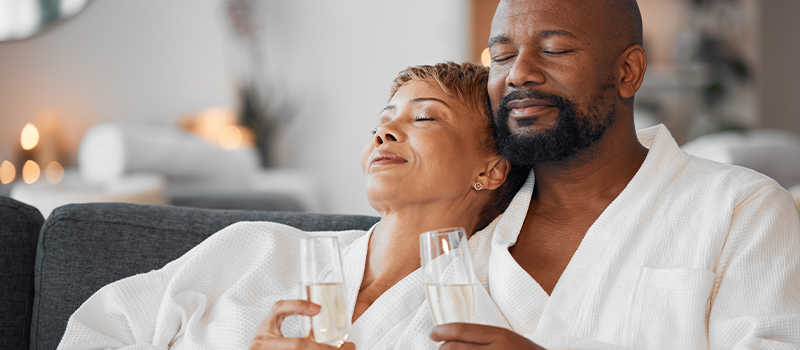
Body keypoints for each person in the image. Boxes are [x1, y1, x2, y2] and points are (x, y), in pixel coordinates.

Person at [56, 62, 528, 350]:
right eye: (381, 124)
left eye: (424, 117)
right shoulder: (253, 248)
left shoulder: (479, 315)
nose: (384, 133)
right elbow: (92, 336)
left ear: (490, 170)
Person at [432, 0, 800, 349]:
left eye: (554, 49)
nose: (518, 73)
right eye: (502, 56)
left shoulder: (744, 209)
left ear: (628, 71)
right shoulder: (473, 222)